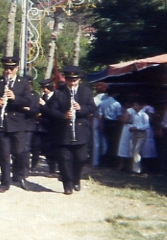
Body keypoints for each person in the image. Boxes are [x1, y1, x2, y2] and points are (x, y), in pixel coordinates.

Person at [50, 66, 96, 195]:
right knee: (64, 160)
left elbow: (92, 108)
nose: (72, 83)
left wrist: (81, 108)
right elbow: (51, 110)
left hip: (80, 130)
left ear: (79, 79)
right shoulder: (59, 92)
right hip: (64, 132)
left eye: (74, 80)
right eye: (69, 80)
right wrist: (63, 115)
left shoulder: (86, 91)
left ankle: (76, 178)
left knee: (80, 158)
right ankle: (67, 184)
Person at [0, 56, 31, 193]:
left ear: (17, 68)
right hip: (1, 123)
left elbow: (28, 101)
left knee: (19, 152)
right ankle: (5, 182)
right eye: (6, 68)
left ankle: (19, 175)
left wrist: (15, 98)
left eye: (11, 68)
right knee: (4, 154)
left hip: (17, 124)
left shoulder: (23, 82)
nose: (8, 71)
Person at [38, 78, 60, 176]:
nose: (43, 90)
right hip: (44, 125)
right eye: (42, 88)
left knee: (56, 147)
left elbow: (53, 112)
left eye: (45, 87)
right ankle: (51, 168)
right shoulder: (43, 96)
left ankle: (57, 167)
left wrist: (44, 105)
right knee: (47, 148)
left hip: (54, 126)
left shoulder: (57, 96)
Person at [98, 87, 123, 167]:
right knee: (113, 143)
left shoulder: (102, 103)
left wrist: (101, 125)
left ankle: (104, 160)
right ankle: (110, 160)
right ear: (114, 94)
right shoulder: (117, 104)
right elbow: (119, 116)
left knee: (106, 142)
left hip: (105, 123)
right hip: (114, 124)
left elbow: (100, 116)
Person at [21, 75, 40, 178]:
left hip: (29, 124)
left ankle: (25, 170)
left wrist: (28, 110)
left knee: (26, 147)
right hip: (18, 123)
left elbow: (36, 109)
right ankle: (18, 168)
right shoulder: (19, 95)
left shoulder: (34, 95)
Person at [128, 99, 150, 174]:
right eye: (133, 105)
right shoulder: (134, 114)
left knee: (137, 150)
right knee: (134, 150)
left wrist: (137, 127)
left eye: (136, 105)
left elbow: (147, 125)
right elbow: (133, 123)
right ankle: (135, 168)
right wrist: (132, 127)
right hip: (135, 133)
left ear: (140, 106)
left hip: (142, 134)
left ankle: (137, 170)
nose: (134, 107)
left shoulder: (144, 115)